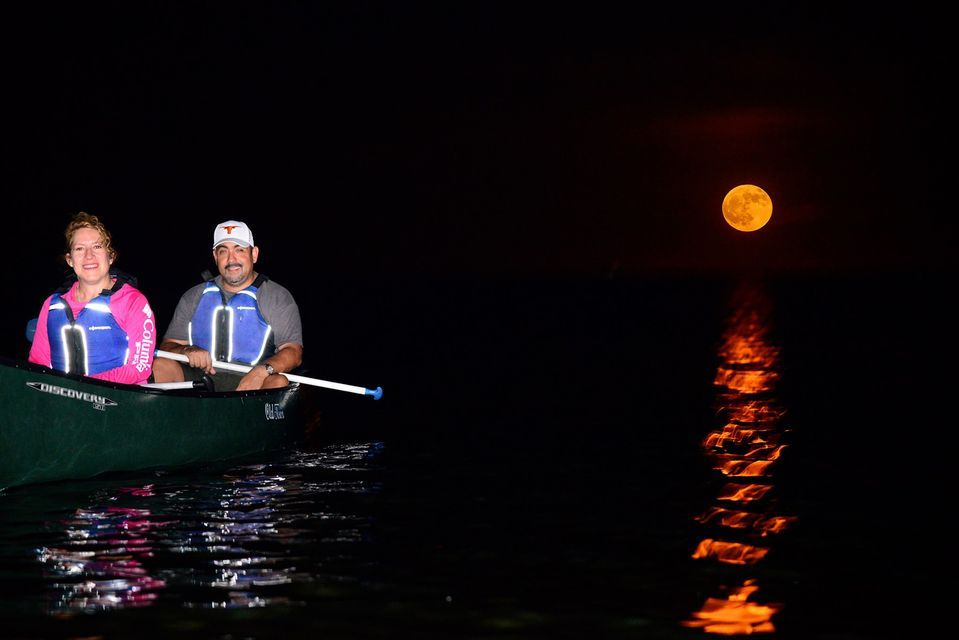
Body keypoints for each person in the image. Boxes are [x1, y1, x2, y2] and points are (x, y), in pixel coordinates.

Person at [151, 220, 303, 391]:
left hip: (252, 380)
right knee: (161, 365)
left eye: (239, 250)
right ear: (215, 256)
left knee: (278, 381)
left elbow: (293, 352)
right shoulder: (193, 296)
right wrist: (187, 350)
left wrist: (262, 371)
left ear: (254, 254)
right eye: (224, 251)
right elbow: (167, 346)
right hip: (200, 379)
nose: (231, 259)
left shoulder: (277, 297)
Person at [28, 211, 156, 384]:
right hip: (61, 402)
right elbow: (37, 365)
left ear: (110, 256)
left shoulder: (133, 302)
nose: (89, 256)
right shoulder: (51, 305)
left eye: (97, 247)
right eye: (80, 248)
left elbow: (139, 368)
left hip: (120, 402)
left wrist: (85, 388)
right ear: (70, 260)